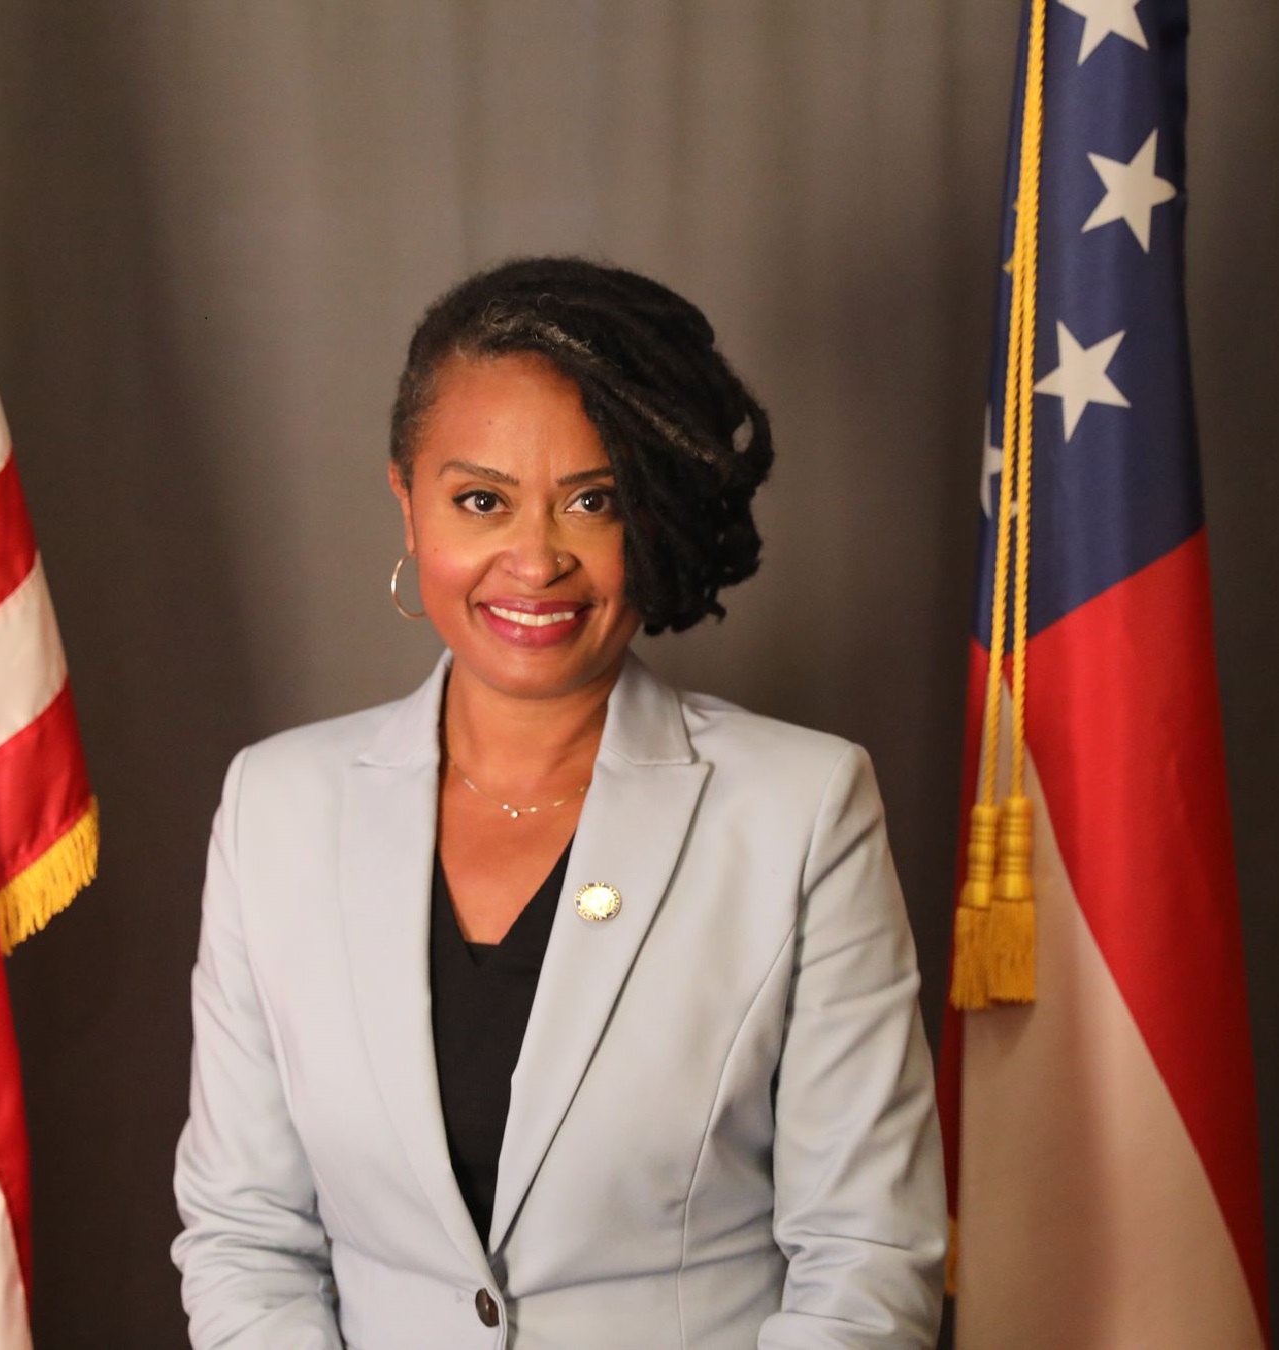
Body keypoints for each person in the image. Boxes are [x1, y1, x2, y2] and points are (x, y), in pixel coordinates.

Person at [171, 257, 946, 1348]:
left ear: (656, 515)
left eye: (594, 501)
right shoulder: (276, 809)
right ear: (407, 504)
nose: (533, 561)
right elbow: (246, 1234)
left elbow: (863, 1260)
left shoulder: (801, 811)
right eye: (479, 500)